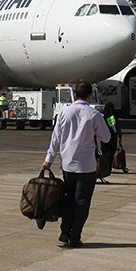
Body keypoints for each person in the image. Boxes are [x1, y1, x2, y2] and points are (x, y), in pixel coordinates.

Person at [42, 80, 110, 248]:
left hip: (68, 164)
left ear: (75, 95)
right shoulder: (94, 115)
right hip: (87, 166)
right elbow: (106, 137)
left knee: (69, 198)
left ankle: (65, 230)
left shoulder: (64, 113)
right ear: (90, 95)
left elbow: (56, 138)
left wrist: (48, 159)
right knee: (82, 201)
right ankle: (75, 236)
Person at [99, 102, 120, 173]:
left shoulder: (102, 116)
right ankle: (108, 167)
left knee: (105, 152)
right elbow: (113, 127)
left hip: (103, 136)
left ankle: (105, 166)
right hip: (111, 137)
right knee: (110, 152)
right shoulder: (111, 116)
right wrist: (118, 135)